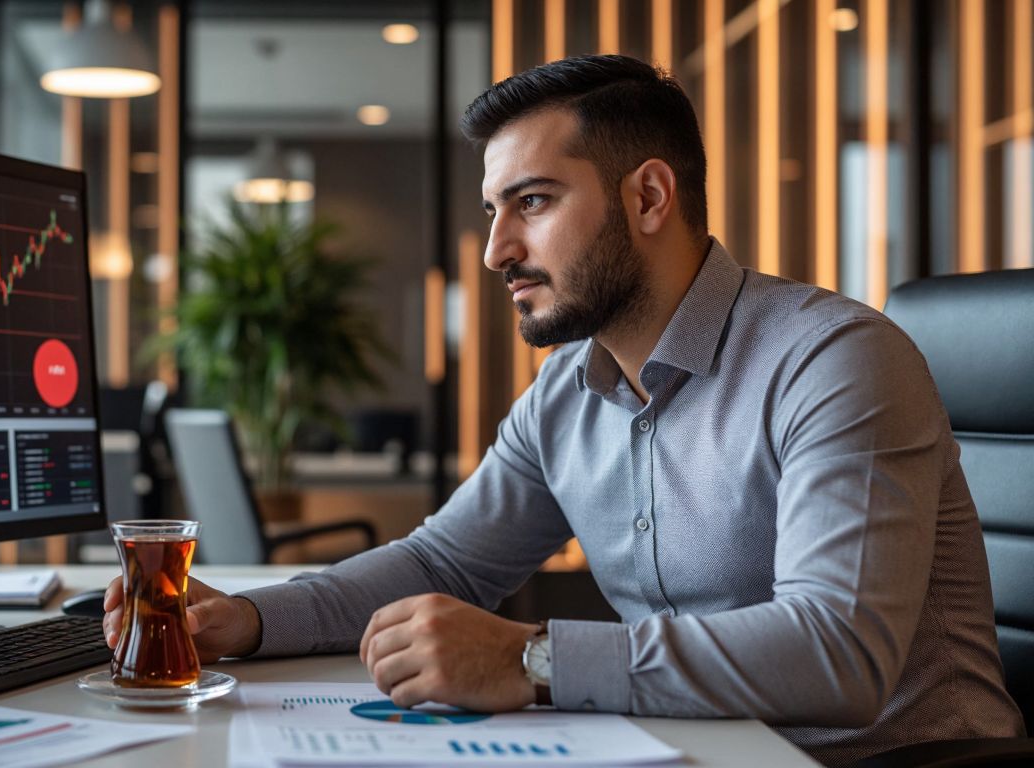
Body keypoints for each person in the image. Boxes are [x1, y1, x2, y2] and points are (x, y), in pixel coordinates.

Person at [102, 55, 1024, 765]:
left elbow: (839, 655)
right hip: (694, 747)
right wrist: (253, 620)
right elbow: (445, 560)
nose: (498, 248)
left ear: (649, 196)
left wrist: (532, 660)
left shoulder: (833, 359)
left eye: (532, 203)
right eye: (493, 212)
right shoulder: (565, 390)